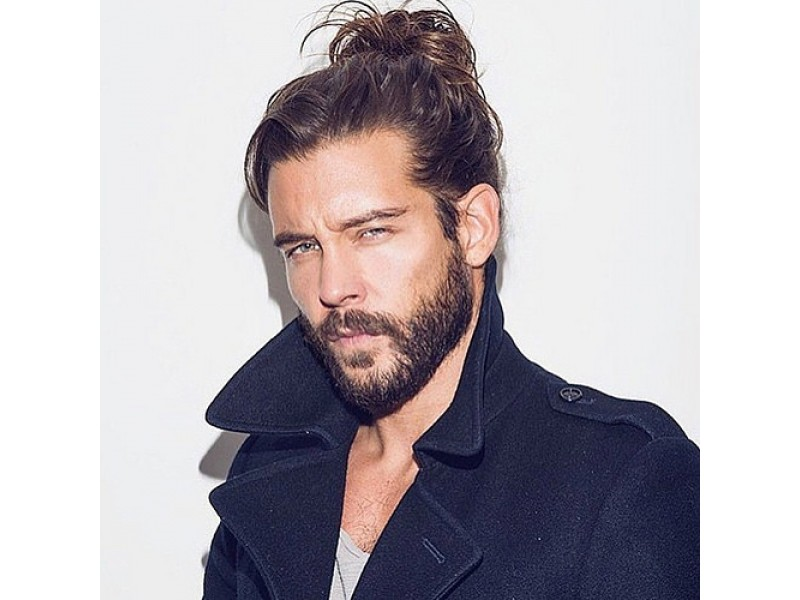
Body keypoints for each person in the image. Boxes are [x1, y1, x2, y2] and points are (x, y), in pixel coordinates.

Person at [203, 2, 699, 599]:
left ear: (472, 228)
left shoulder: (616, 479)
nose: (332, 287)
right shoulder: (268, 468)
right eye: (304, 247)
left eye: (372, 232)